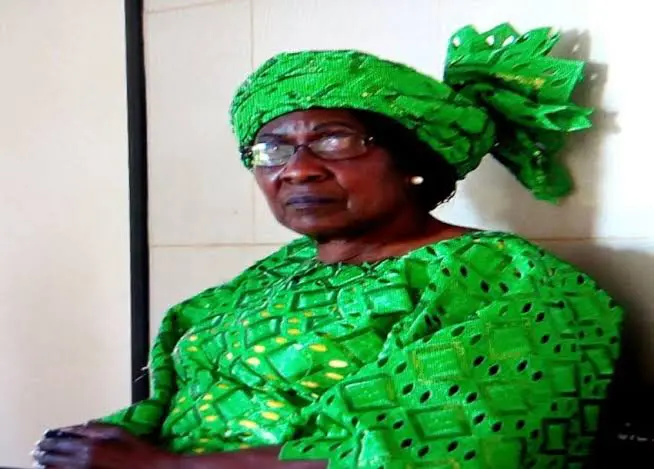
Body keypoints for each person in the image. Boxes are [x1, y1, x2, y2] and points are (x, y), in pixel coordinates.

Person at [33, 23, 623, 469]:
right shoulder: (278, 273)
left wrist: (161, 467)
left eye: (335, 139)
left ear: (412, 159)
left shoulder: (506, 279)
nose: (297, 169)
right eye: (272, 147)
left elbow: (427, 448)